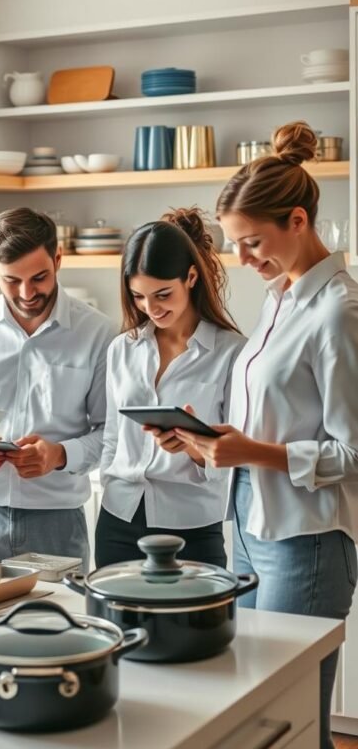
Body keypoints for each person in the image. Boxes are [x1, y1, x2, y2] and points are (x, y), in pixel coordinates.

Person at [172, 122, 358, 749]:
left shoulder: (339, 310)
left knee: (299, 732)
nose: (240, 258)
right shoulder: (280, 297)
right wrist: (212, 439)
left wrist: (254, 451)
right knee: (261, 722)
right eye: (233, 242)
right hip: (248, 527)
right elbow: (271, 420)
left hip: (306, 543)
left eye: (251, 241)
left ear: (298, 221)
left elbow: (352, 450)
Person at [0, 207, 114, 571]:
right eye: (12, 280)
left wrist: (58, 454)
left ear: (57, 259)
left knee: (61, 626)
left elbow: (111, 435)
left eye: (39, 277)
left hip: (58, 520)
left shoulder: (97, 333)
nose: (26, 293)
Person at [96, 208, 244, 568]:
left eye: (163, 294)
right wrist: (106, 484)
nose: (151, 308)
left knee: (195, 625)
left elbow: (237, 457)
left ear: (191, 277)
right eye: (139, 297)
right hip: (118, 518)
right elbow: (112, 437)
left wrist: (194, 448)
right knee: (118, 624)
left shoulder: (232, 352)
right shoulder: (122, 348)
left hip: (191, 526)